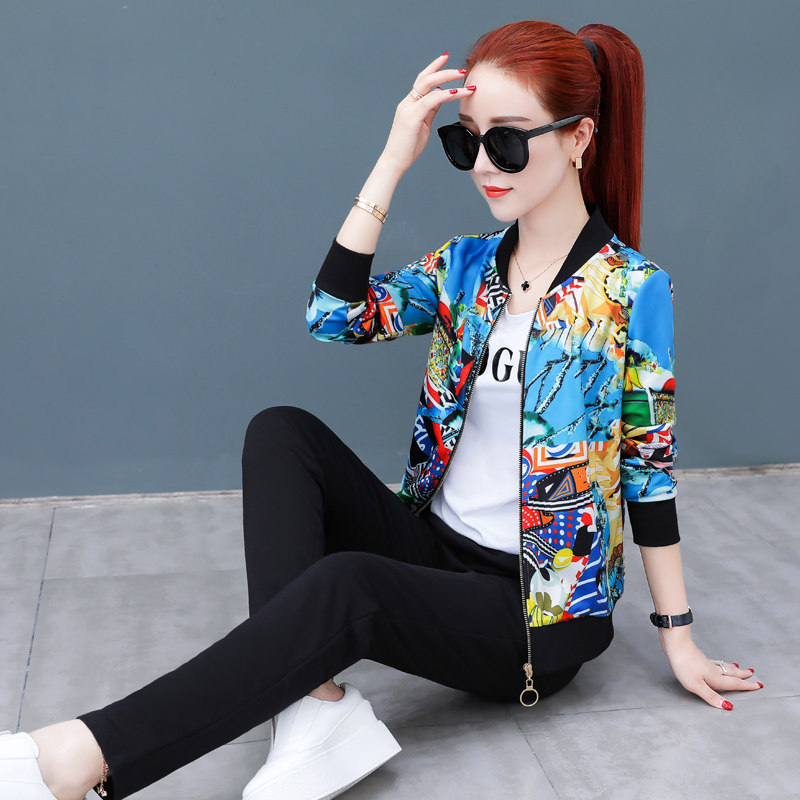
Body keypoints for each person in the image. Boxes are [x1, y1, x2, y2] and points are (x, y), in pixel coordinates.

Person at [0, 19, 761, 800]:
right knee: (281, 432)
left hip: (533, 613)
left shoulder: (632, 289)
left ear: (578, 139)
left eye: (507, 142)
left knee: (350, 585)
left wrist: (678, 639)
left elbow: (648, 471)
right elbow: (332, 315)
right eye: (467, 142)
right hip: (434, 546)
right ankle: (313, 708)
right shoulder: (465, 266)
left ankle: (80, 757)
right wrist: (394, 158)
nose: (484, 166)